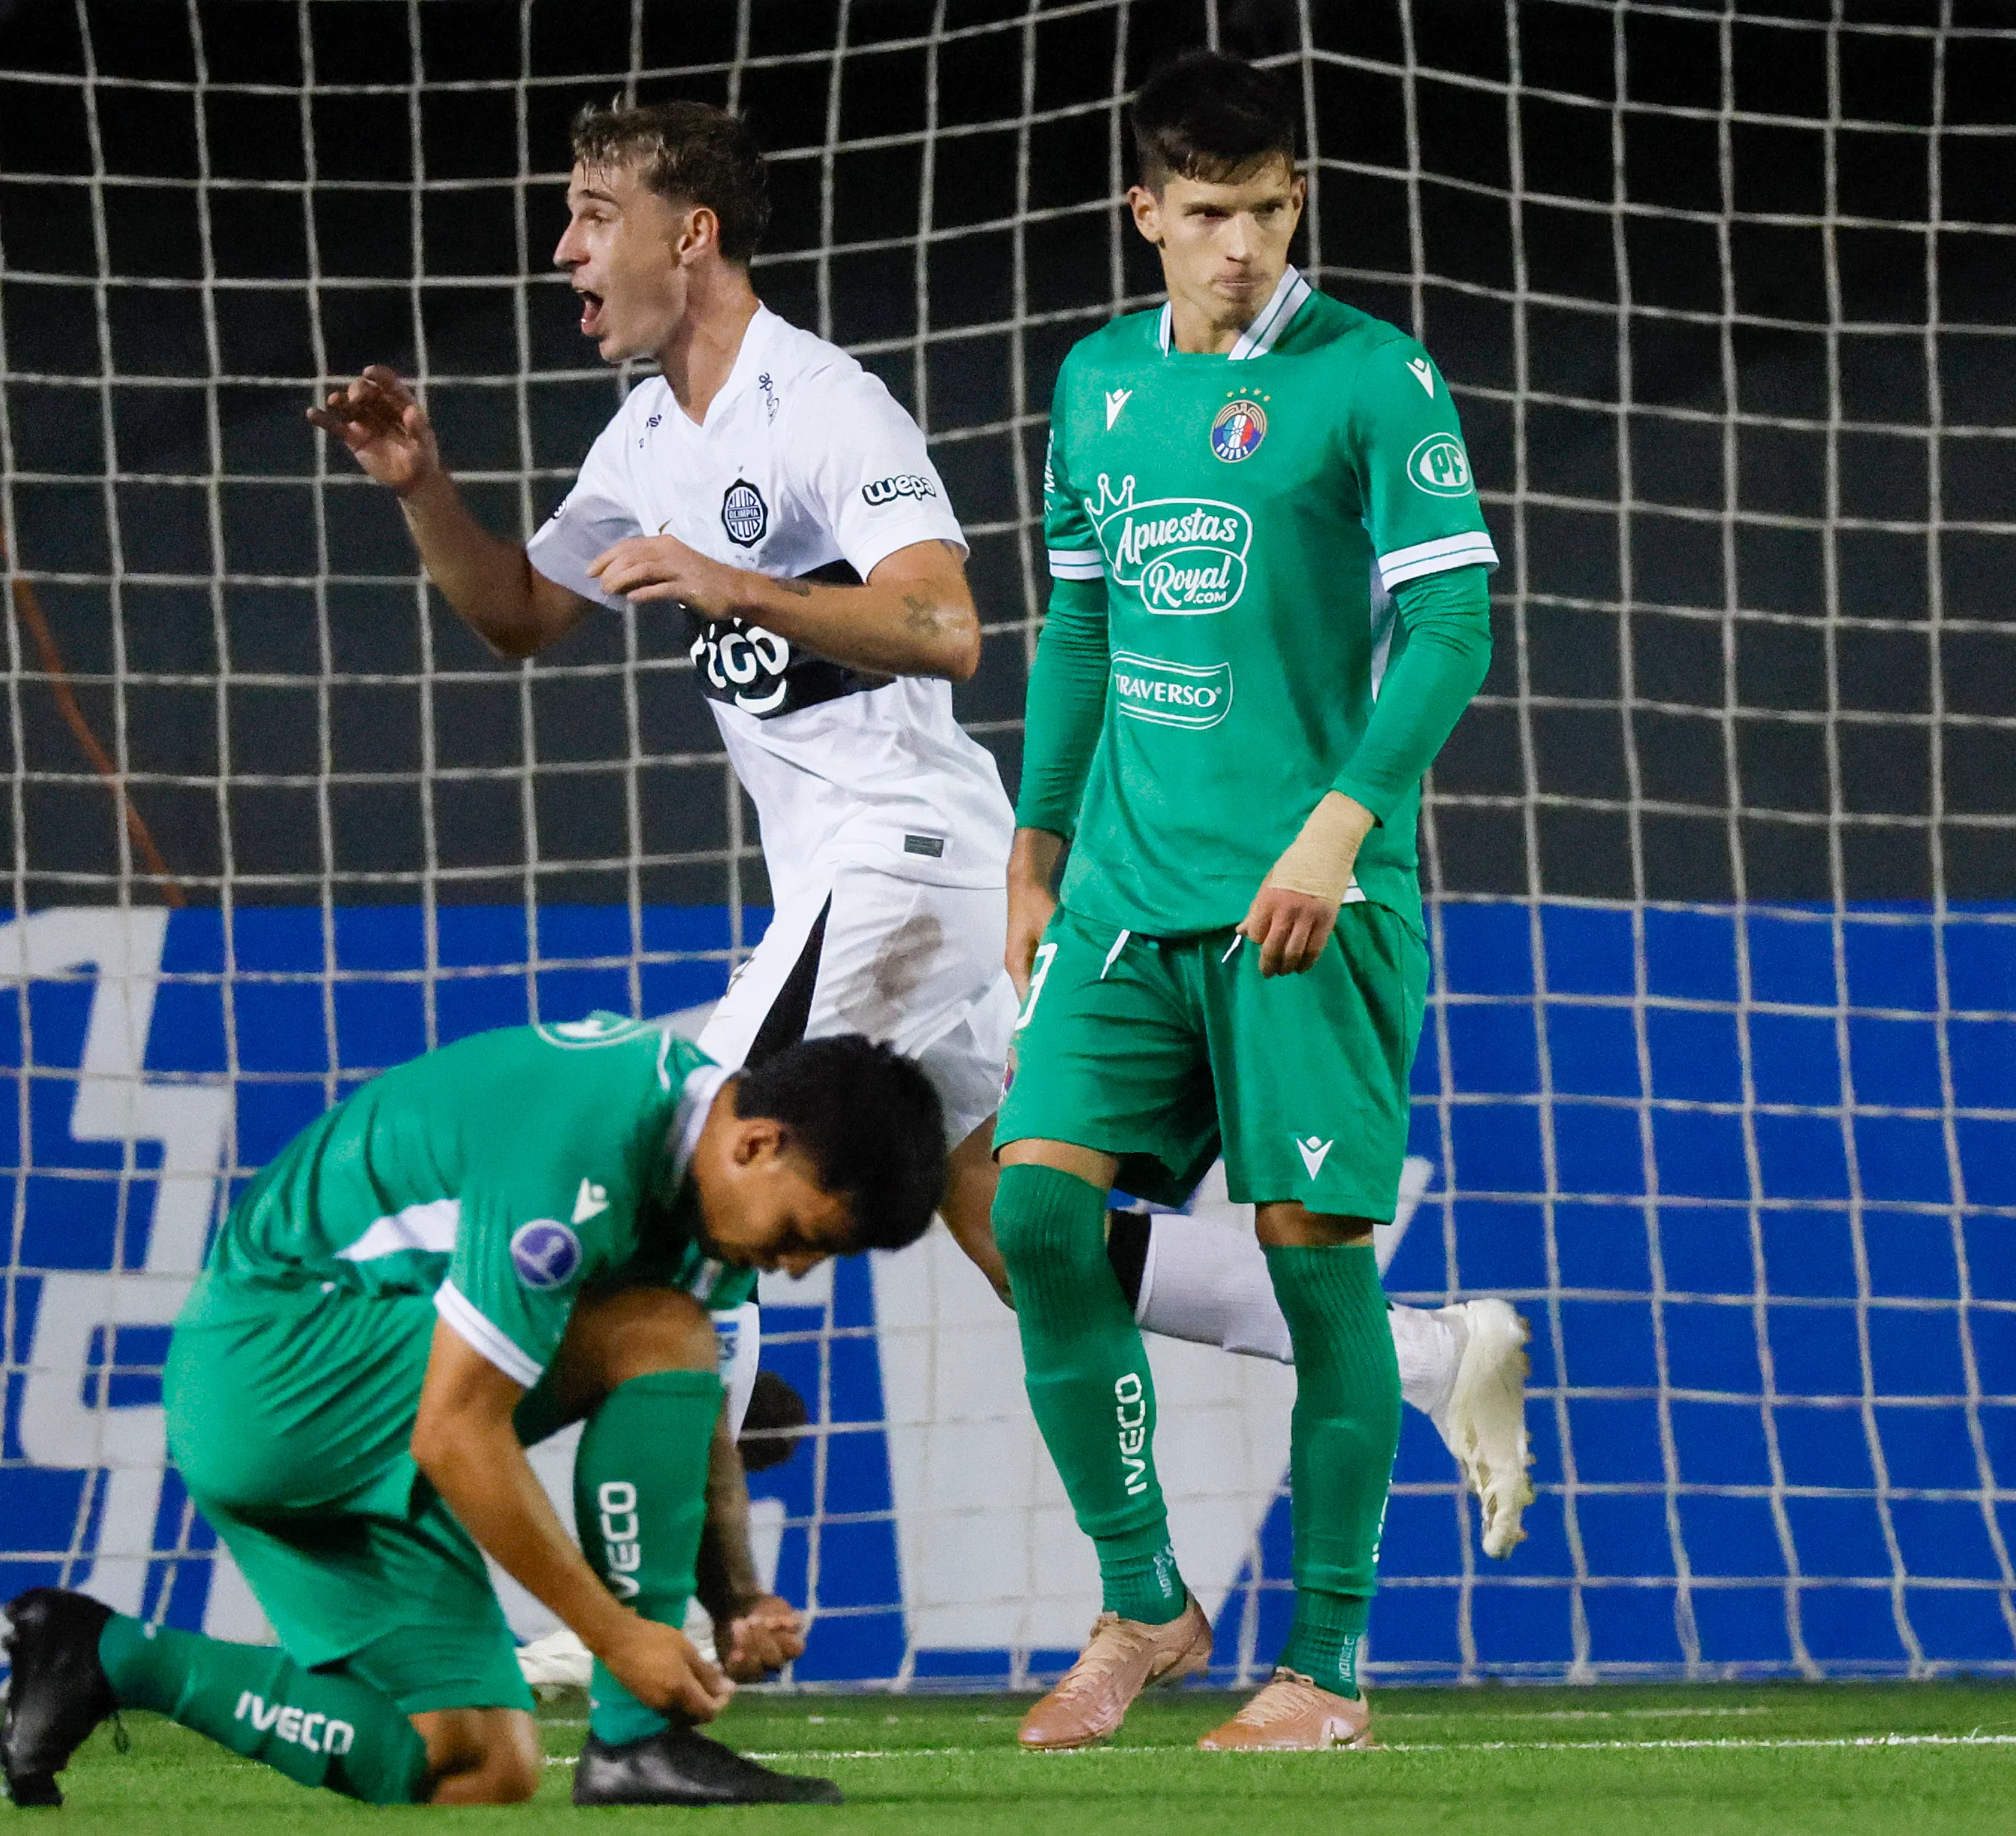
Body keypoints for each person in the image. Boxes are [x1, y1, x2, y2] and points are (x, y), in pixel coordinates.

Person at [307, 91, 1529, 1697]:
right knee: (1028, 1234)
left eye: (589, 212)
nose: (562, 249)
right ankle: (1438, 1353)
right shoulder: (646, 436)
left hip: (901, 859)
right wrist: (418, 486)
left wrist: (742, 584)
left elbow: (949, 630)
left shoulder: (822, 407)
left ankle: (660, 1607)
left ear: (690, 235)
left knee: (695, 1155)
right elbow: (521, 614)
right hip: (883, 877)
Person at [995, 50, 1505, 1753]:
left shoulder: (1376, 378)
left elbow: (1451, 631)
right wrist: (1035, 845)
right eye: (1208, 214)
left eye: (1270, 210)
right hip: (1131, 898)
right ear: (1145, 213)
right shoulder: (1094, 388)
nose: (1243, 246)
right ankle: (1144, 1596)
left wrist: (1340, 827)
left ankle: (1327, 1671)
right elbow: (1077, 628)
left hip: (1312, 900)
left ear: (1299, 204)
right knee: (1041, 1218)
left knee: (1315, 1271)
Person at [0, 1018, 944, 1808]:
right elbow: (456, 1430)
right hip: (269, 1367)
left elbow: (692, 1406)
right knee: (659, 1328)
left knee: (476, 1763)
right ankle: (636, 1740)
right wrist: (615, 1639)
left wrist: (733, 1598)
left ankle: (109, 1653)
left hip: (337, 1418)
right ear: (757, 1144)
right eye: (801, 1238)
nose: (795, 1267)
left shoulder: (708, 1192)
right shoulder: (583, 1146)